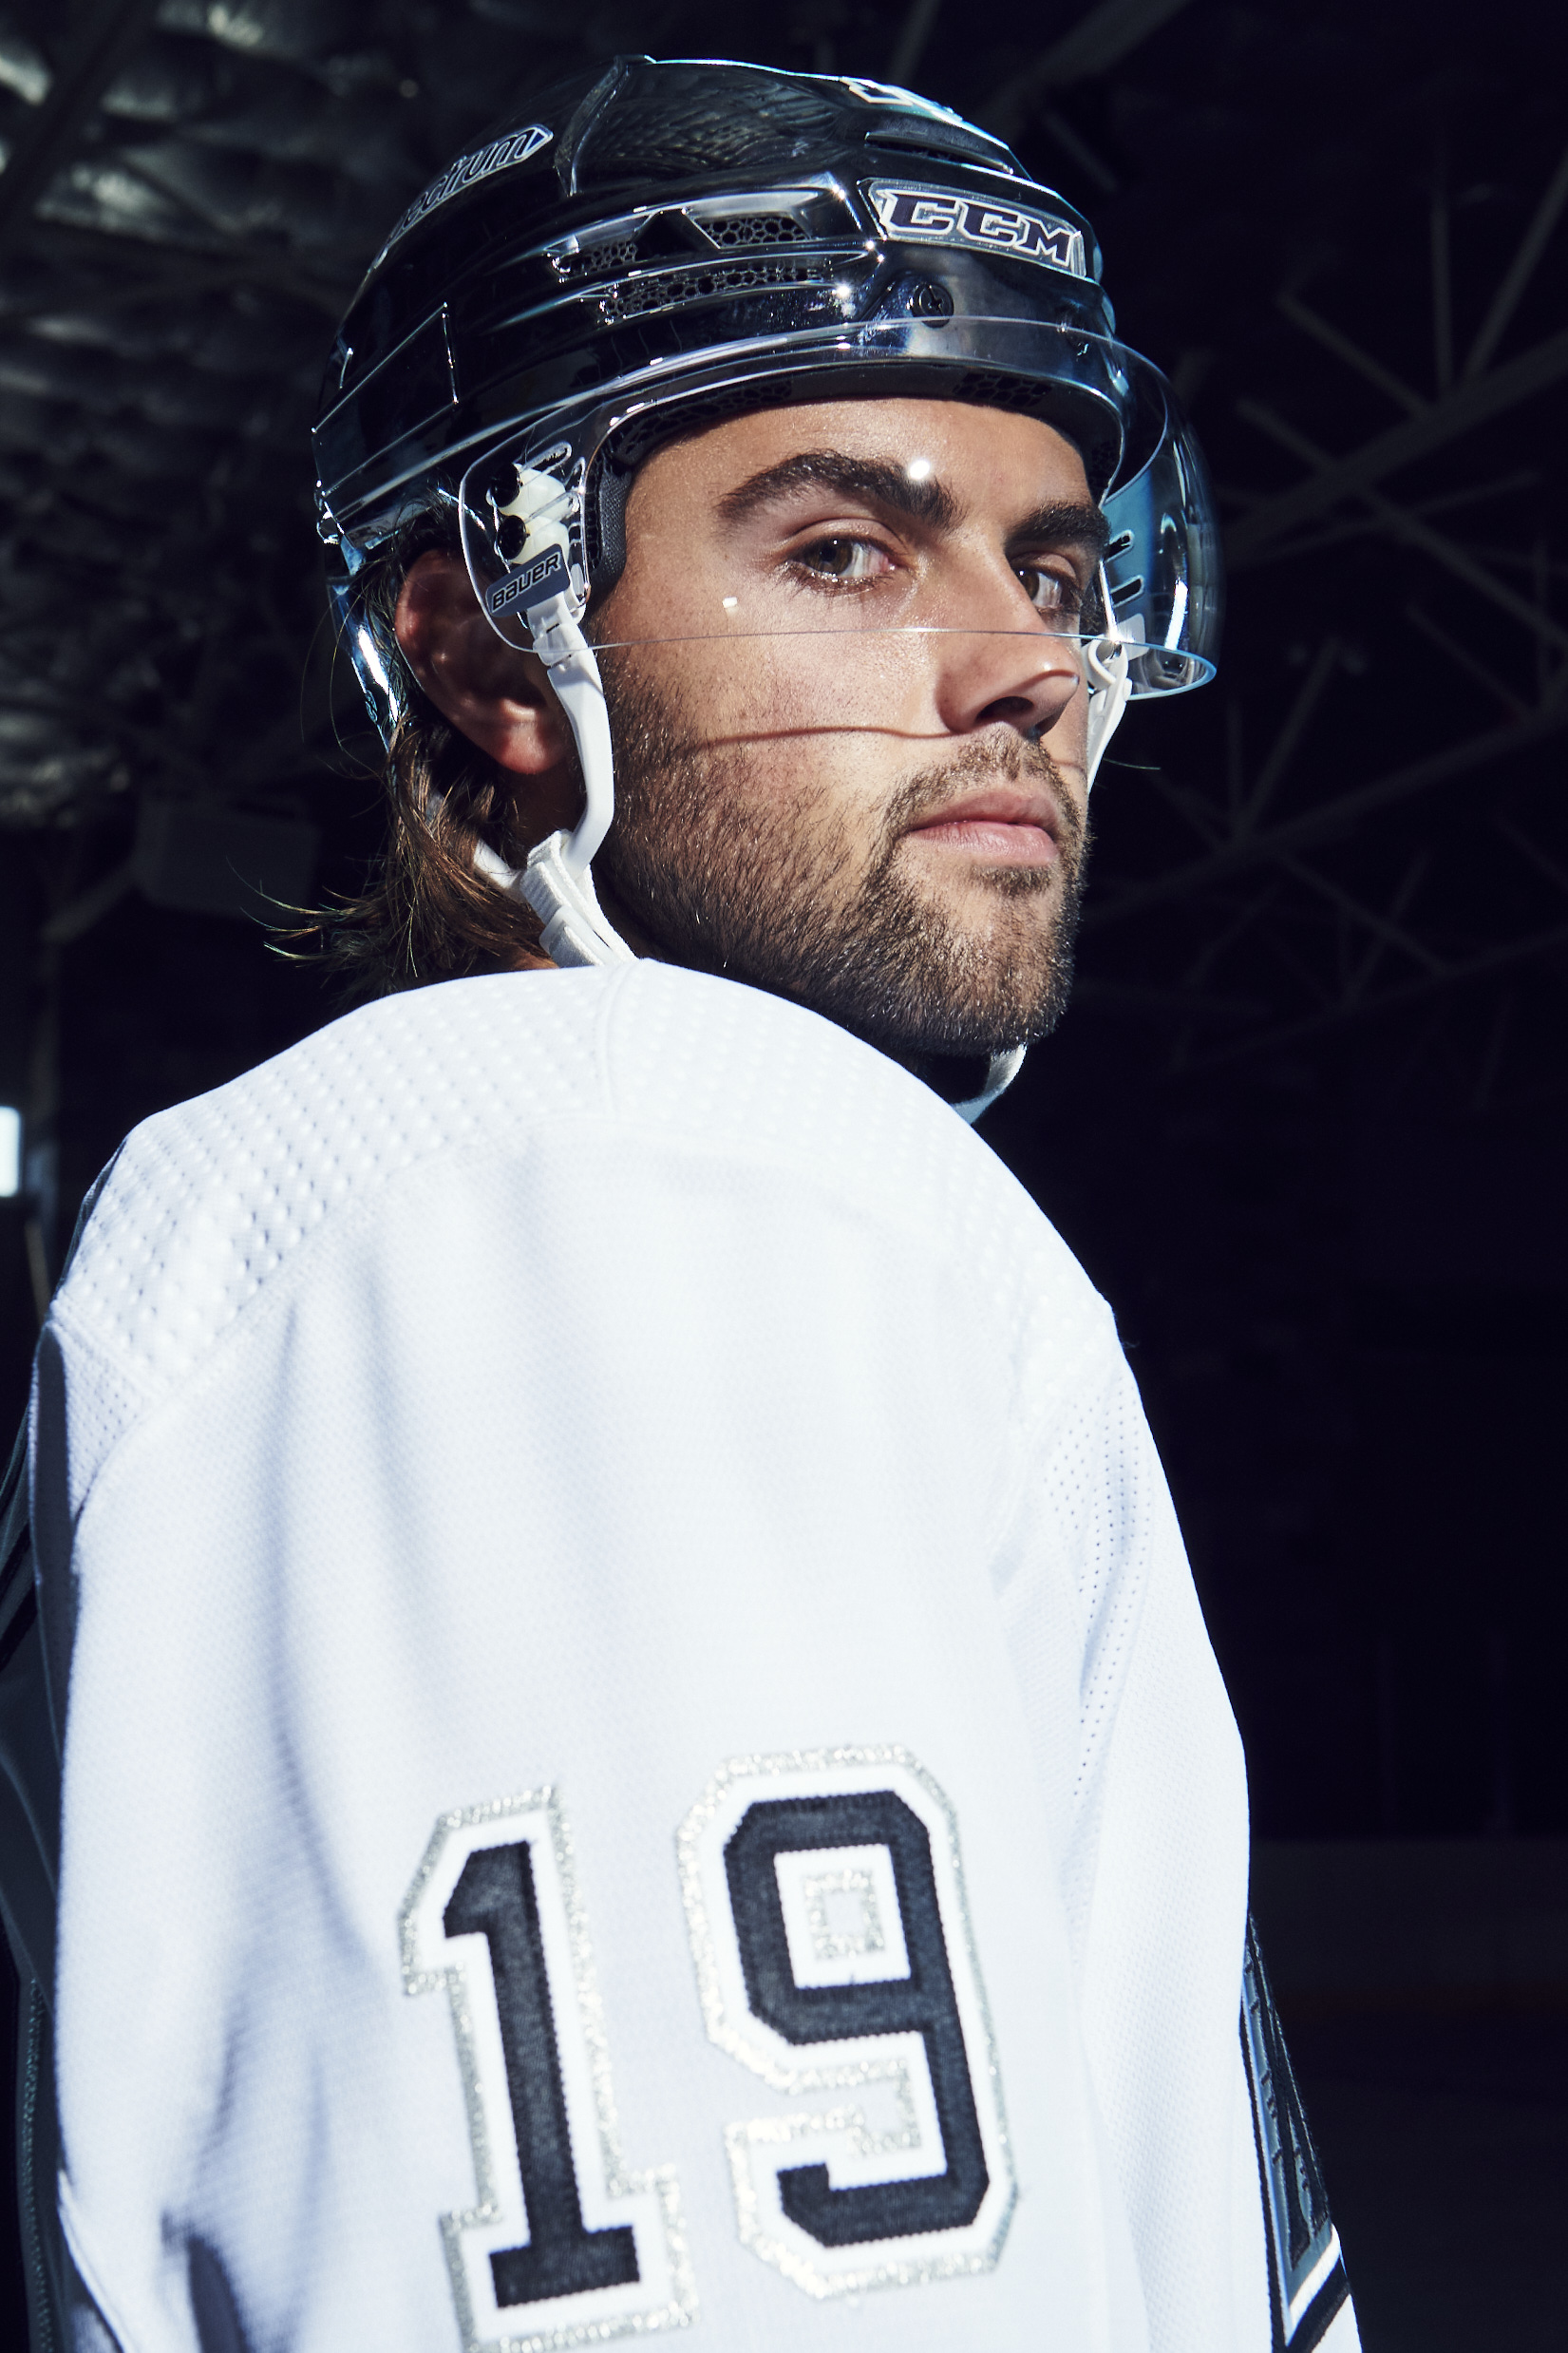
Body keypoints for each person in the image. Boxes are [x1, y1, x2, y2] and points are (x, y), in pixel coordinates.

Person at [0, 55, 1357, 2353]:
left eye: (1050, 565)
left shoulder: (645, 1197)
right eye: (842, 548)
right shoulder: (603, 1186)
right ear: (485, 644)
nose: (1030, 660)